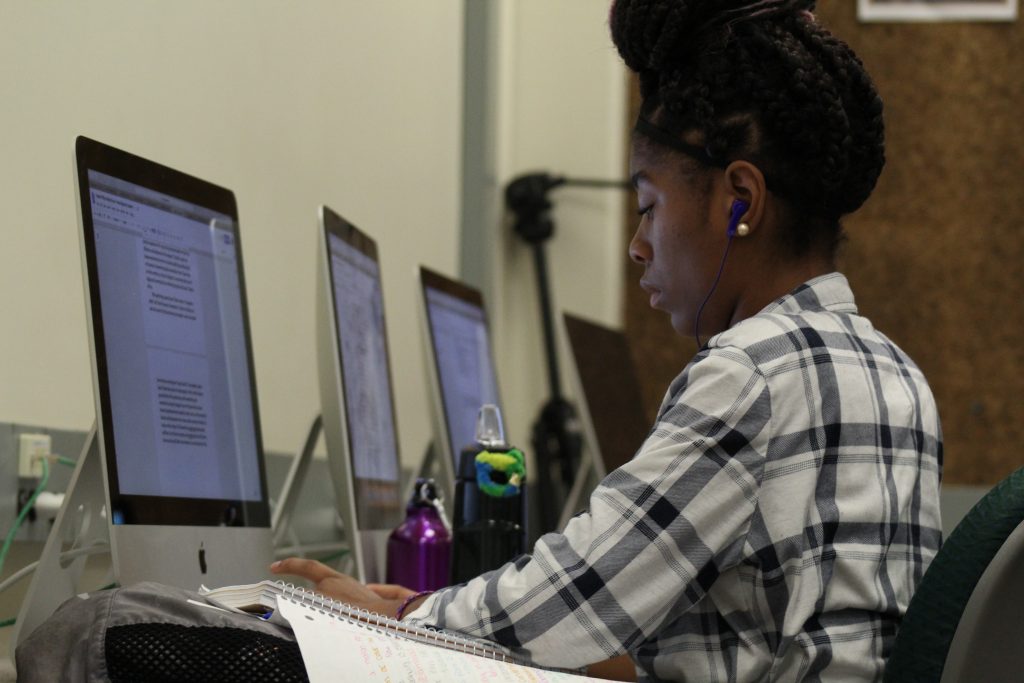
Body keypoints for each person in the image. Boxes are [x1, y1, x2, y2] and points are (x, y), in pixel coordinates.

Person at [273, 1, 943, 680]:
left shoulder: (754, 374)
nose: (637, 244)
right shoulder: (899, 375)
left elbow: (582, 590)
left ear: (739, 198)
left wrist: (404, 616)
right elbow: (752, 636)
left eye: (649, 206)